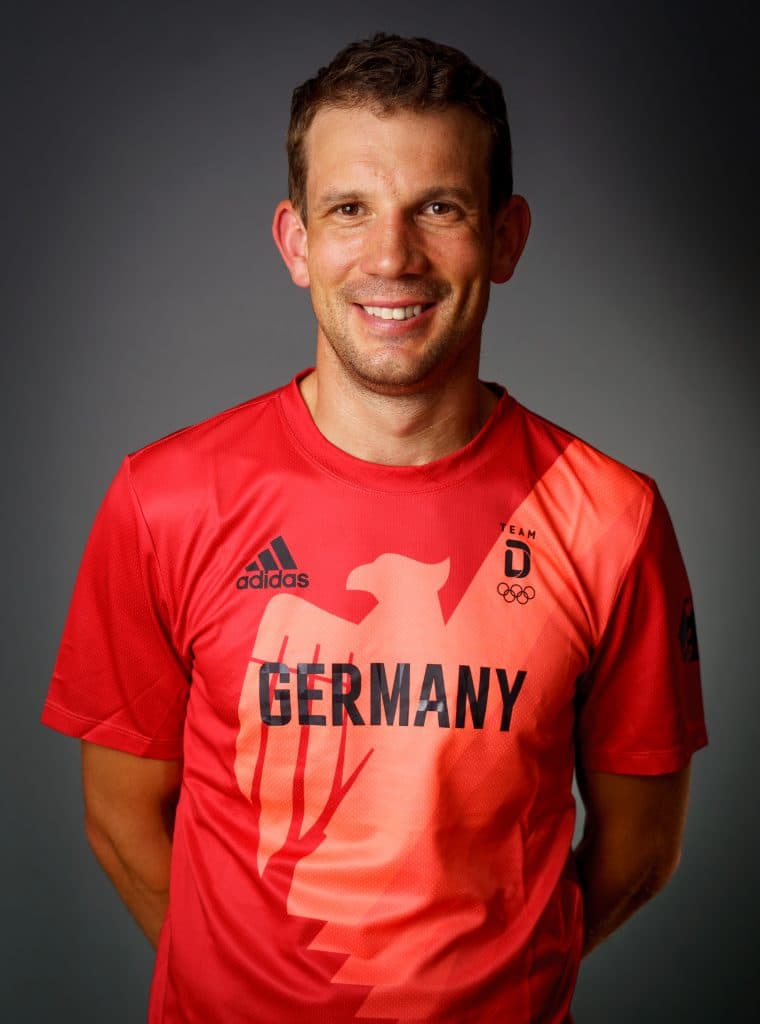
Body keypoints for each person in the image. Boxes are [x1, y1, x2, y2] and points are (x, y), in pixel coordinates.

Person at [42, 33, 707, 1024]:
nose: (391, 256)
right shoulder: (166, 498)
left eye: (439, 208)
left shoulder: (610, 518)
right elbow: (118, 816)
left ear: (506, 237)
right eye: (349, 209)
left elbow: (641, 849)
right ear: (296, 241)